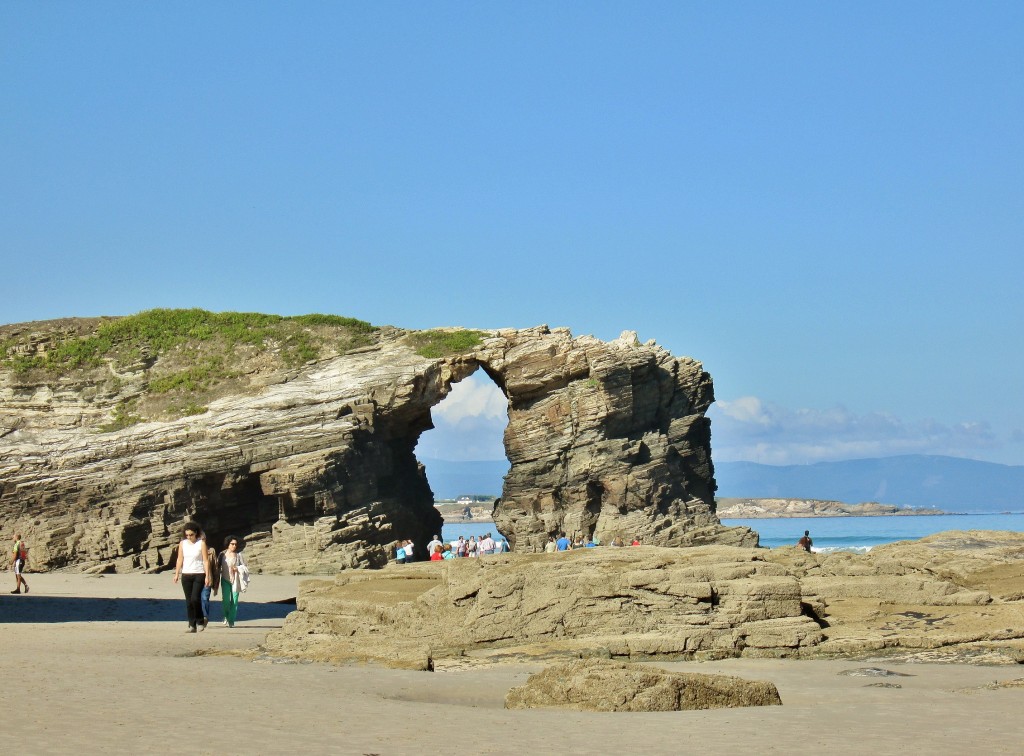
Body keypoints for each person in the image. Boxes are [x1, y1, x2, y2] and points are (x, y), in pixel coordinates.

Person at [172, 522, 211, 633]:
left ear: (196, 533)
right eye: (187, 535)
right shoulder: (183, 544)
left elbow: (205, 560)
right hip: (186, 575)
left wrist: (207, 576)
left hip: (199, 573)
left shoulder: (201, 543)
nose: (189, 537)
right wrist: (176, 574)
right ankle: (192, 625)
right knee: (188, 601)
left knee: (195, 598)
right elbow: (180, 559)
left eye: (191, 535)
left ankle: (200, 621)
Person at [218, 535, 249, 628]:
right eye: (232, 544)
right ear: (228, 544)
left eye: (235, 544)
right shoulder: (222, 554)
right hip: (225, 580)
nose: (234, 546)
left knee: (234, 601)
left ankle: (231, 620)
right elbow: (217, 567)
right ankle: (226, 616)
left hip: (236, 581)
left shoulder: (239, 555)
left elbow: (245, 567)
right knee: (226, 601)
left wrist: (237, 568)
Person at [199, 539, 220, 629]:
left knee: (204, 598)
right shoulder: (193, 551)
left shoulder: (211, 551)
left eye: (203, 539)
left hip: (207, 579)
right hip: (195, 578)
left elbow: (215, 568)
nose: (202, 541)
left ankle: (205, 617)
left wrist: (216, 586)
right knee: (195, 599)